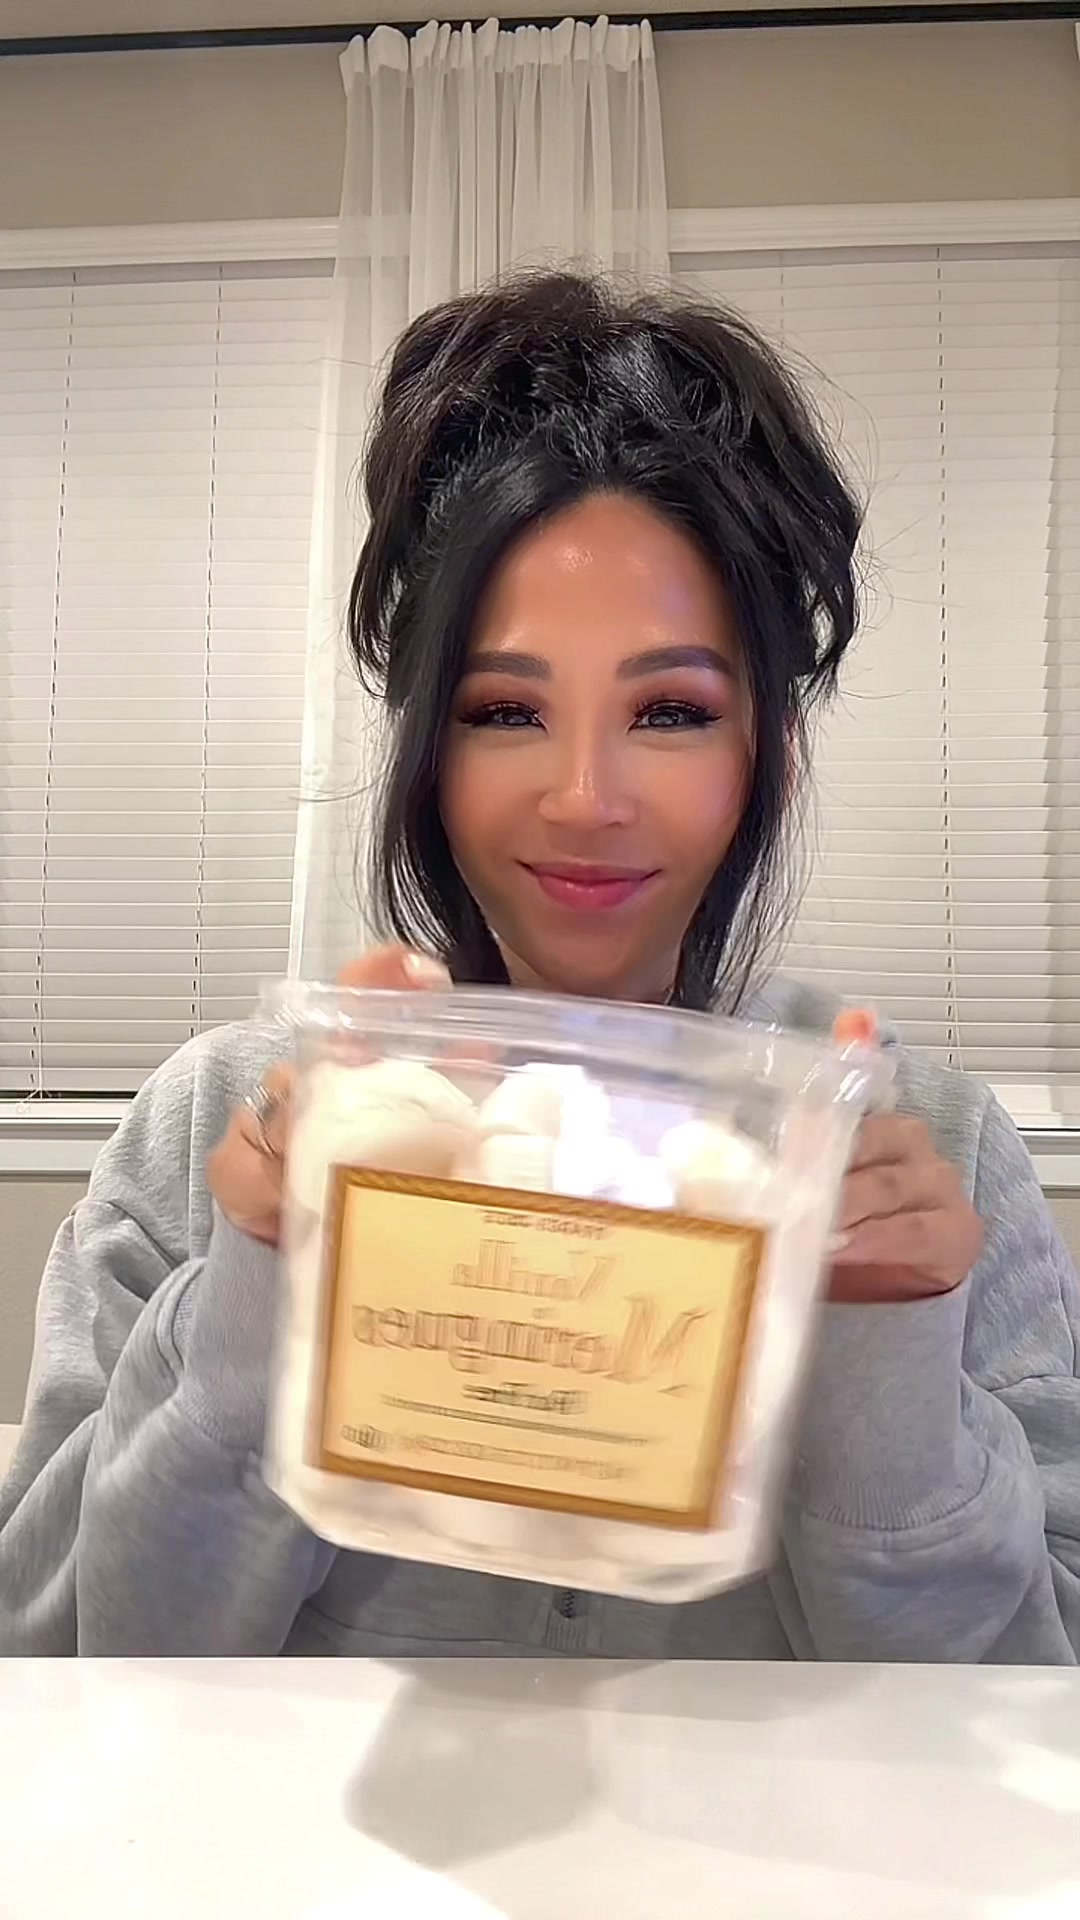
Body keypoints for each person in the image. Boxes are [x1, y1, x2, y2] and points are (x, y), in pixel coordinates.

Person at [2, 272, 1077, 1659]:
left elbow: (1034, 1705)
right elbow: (67, 1662)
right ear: (424, 744)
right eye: (506, 709)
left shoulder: (926, 1155)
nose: (585, 798)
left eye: (671, 711)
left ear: (771, 746)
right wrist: (262, 1284)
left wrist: (886, 1361)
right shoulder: (221, 1127)